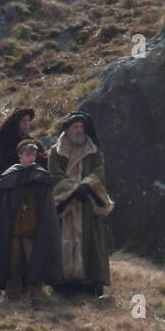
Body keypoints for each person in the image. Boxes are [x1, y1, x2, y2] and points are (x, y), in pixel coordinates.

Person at [0, 138, 63, 302]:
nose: (31, 158)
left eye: (33, 154)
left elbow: (47, 207)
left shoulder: (41, 177)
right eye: (27, 154)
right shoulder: (10, 177)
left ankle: (37, 295)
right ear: (20, 155)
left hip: (34, 228)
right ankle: (12, 295)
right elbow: (5, 204)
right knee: (13, 262)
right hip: (14, 227)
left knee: (35, 260)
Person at [48, 111, 114, 297]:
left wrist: (86, 187)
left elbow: (99, 171)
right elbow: (54, 173)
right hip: (66, 205)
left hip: (88, 202)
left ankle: (93, 282)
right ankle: (64, 284)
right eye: (75, 127)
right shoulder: (56, 151)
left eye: (81, 127)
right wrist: (72, 189)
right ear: (67, 129)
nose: (79, 130)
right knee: (64, 242)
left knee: (92, 241)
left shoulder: (94, 151)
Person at [0, 107, 48, 172]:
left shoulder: (35, 143)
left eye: (28, 120)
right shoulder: (5, 142)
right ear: (16, 123)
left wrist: (37, 157)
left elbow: (46, 164)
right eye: (23, 120)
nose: (26, 124)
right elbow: (2, 165)